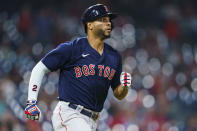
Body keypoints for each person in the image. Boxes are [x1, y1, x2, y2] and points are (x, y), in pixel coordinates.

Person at [24, 4, 132, 131]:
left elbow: (118, 94)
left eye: (108, 20)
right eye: (103, 20)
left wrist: (124, 87)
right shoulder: (72, 48)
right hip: (70, 114)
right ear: (89, 25)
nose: (108, 23)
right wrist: (31, 101)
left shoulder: (114, 56)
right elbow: (40, 68)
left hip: (93, 120)